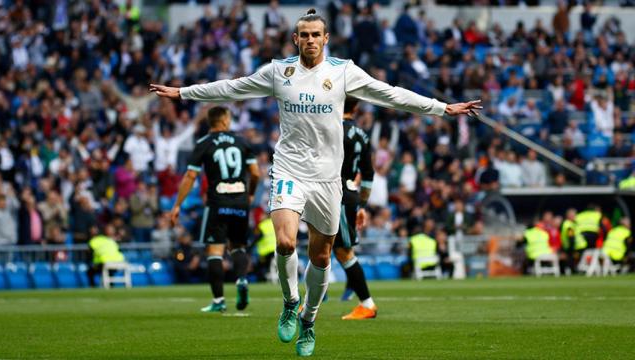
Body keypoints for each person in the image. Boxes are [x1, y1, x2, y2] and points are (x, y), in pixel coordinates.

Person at [150, 9, 480, 356]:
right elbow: (233, 87)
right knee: (285, 242)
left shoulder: (343, 72)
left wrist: (442, 108)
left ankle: (309, 319)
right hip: (289, 170)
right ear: (296, 38)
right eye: (303, 34)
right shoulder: (280, 72)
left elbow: (391, 94)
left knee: (322, 255)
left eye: (315, 35)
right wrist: (183, 93)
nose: (309, 40)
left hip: (328, 178)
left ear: (325, 38)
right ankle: (290, 301)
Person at [168, 106, 260, 313]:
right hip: (240, 202)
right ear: (225, 121)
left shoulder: (204, 143)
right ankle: (242, 280)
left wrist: (177, 205)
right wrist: (251, 193)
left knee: (215, 251)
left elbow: (190, 176)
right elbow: (255, 173)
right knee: (237, 247)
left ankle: (219, 300)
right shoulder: (242, 141)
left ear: (210, 122)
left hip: (218, 201)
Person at [333, 98, 377, 320]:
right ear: (356, 108)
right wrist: (361, 204)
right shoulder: (362, 134)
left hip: (335, 192)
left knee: (342, 251)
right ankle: (309, 303)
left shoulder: (333, 128)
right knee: (322, 246)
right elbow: (368, 175)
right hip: (348, 193)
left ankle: (367, 304)